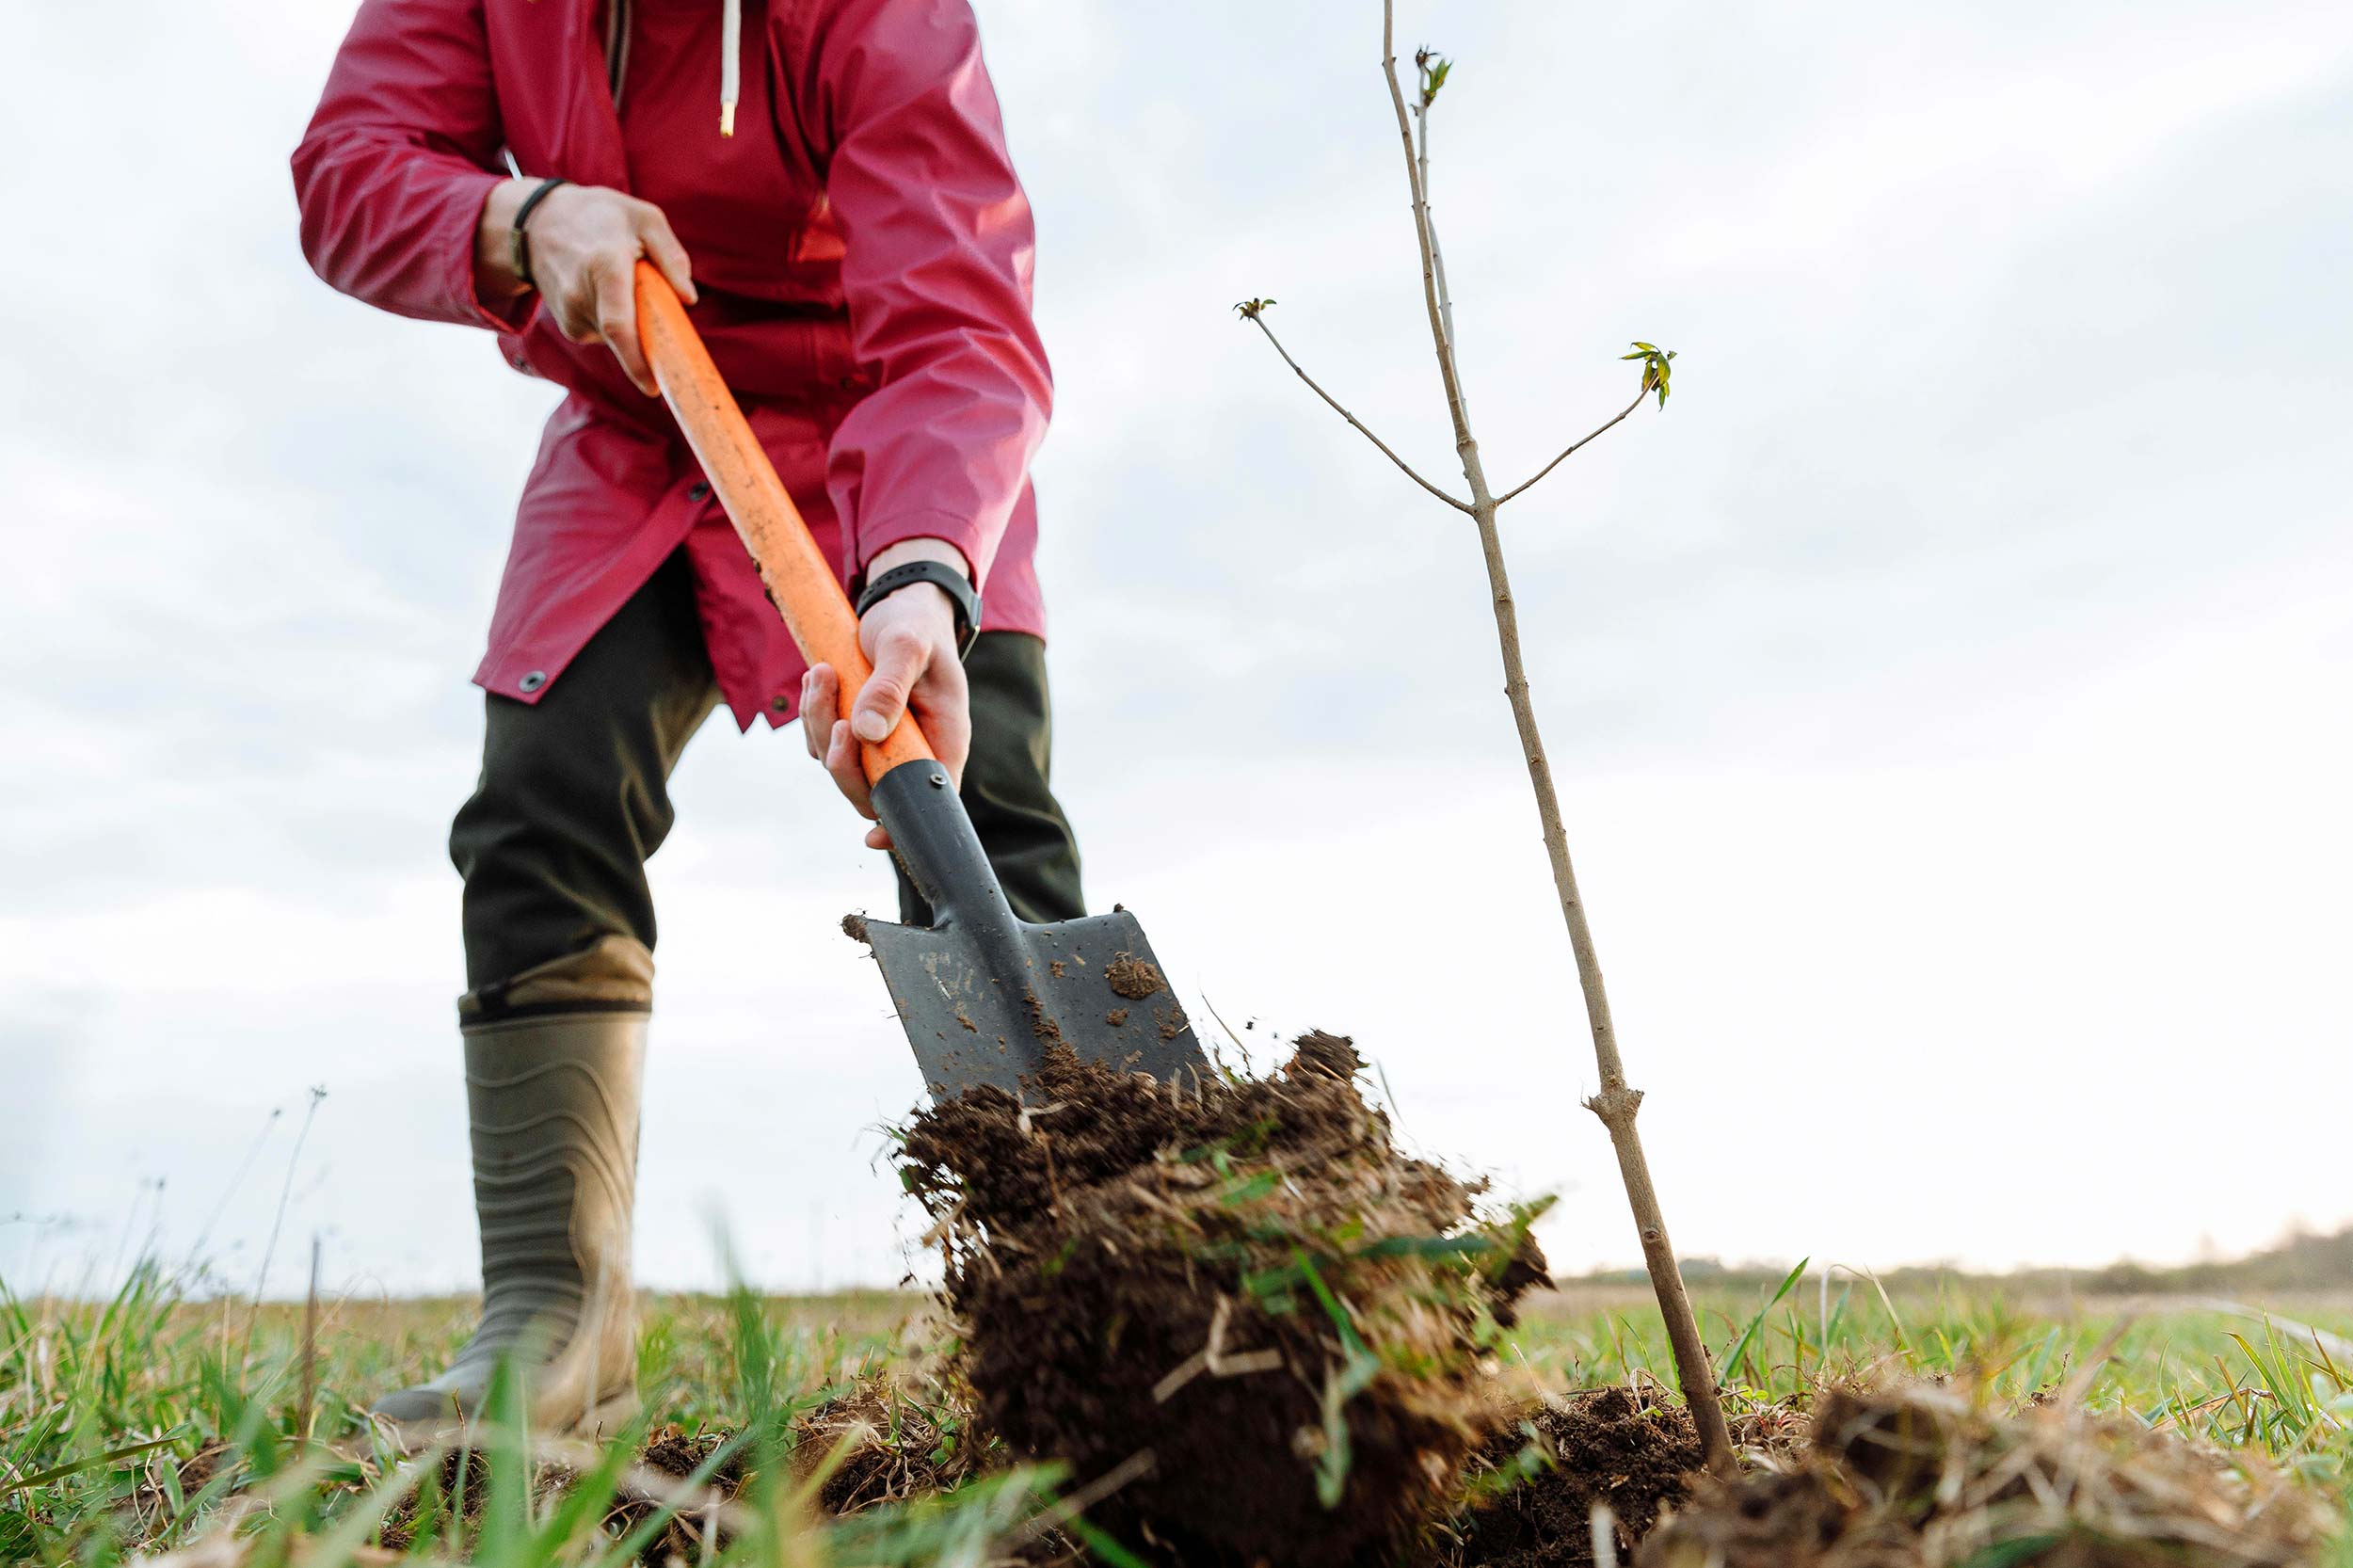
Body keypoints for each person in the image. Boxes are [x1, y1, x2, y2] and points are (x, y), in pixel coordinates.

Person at [291, 0, 1076, 1437]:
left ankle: (1080, 1300)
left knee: (979, 816)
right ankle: (554, 1328)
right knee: (542, 798)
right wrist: (523, 218)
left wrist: (919, 573)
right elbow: (347, 174)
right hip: (641, 421)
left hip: (881, 427)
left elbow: (961, 317)